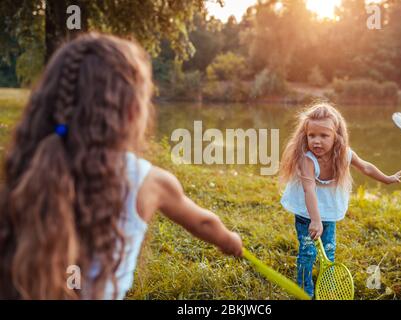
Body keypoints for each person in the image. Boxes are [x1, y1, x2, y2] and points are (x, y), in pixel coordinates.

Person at [0, 32, 242, 300]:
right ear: (131, 114)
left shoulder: (29, 165)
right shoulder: (148, 183)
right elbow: (204, 222)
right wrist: (229, 240)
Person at [279, 103, 401, 298]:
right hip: (307, 212)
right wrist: (315, 220)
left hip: (328, 211)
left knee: (328, 251)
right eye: (312, 135)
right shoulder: (307, 160)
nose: (316, 141)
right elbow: (309, 189)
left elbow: (366, 167)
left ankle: (326, 287)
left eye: (324, 136)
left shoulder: (344, 154)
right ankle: (305, 291)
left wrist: (387, 179)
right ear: (306, 136)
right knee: (308, 253)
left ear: (336, 136)